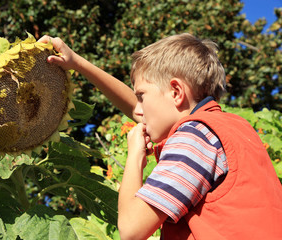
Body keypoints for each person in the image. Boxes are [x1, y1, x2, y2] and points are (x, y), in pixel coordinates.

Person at [38, 33, 282, 240]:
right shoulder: (228, 128)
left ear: (176, 92)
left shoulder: (194, 137)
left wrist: (135, 156)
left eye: (142, 95)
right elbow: (137, 109)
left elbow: (131, 228)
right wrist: (77, 63)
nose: (139, 110)